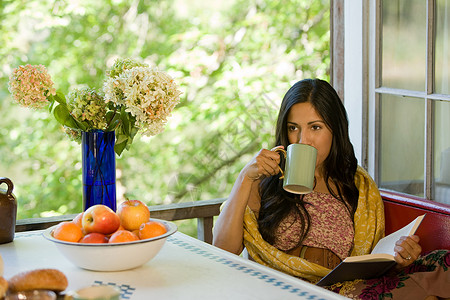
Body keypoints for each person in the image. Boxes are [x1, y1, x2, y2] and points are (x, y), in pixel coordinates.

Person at [213, 79, 450, 299]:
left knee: (442, 262)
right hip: (287, 292)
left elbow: (369, 261)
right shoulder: (264, 180)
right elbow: (223, 250)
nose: (302, 140)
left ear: (335, 130)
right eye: (293, 128)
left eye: (315, 128)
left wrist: (398, 260)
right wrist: (245, 178)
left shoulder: (356, 185)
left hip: (347, 289)